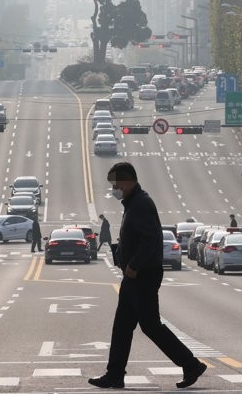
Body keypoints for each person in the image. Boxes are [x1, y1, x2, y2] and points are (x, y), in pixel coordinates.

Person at [88, 162, 207, 390]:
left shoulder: (141, 204)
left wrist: (133, 265)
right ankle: (114, 375)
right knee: (122, 326)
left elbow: (150, 241)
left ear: (129, 181)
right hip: (135, 276)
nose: (114, 188)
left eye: (116, 184)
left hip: (142, 275)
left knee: (150, 325)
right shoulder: (133, 203)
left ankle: (191, 364)